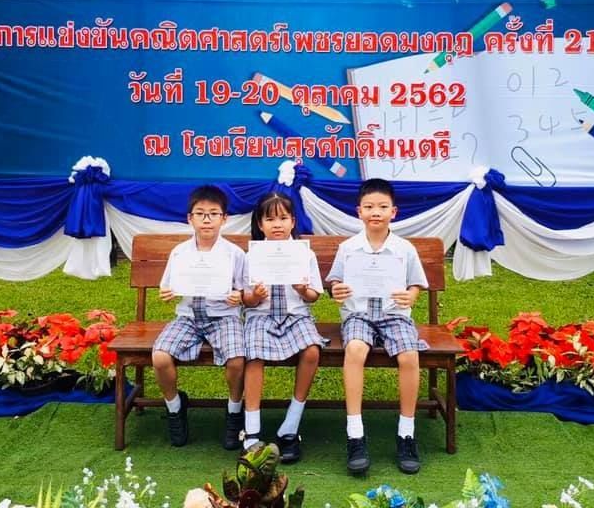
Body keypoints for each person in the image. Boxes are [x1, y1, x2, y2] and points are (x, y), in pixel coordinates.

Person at [326, 178, 428, 475]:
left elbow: (415, 284)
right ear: (359, 211)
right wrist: (336, 289)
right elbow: (334, 282)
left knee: (409, 355)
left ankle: (406, 434)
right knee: (355, 350)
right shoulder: (348, 248)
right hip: (358, 314)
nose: (375, 212)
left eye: (382, 207)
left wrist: (411, 295)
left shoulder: (404, 249)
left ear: (393, 212)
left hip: (394, 315)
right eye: (369, 207)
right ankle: (355, 434)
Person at [152, 185, 246, 450]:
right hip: (188, 317)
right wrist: (166, 293)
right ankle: (175, 407)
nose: (207, 219)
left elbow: (244, 290)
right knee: (160, 357)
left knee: (237, 360)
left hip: (223, 318)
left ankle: (234, 410)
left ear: (224, 219)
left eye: (214, 213)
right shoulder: (180, 253)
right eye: (200, 213)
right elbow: (166, 286)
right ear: (189, 218)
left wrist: (238, 296)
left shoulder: (234, 254)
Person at [241, 192, 325, 463]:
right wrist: (255, 296)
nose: (277, 224)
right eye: (270, 219)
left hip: (296, 315)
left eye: (283, 218)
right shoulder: (251, 256)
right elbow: (245, 299)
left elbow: (314, 296)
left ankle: (290, 426)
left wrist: (302, 290)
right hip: (261, 316)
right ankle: (252, 433)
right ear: (260, 224)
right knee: (254, 355)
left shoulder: (305, 254)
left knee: (312, 351)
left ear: (293, 222)